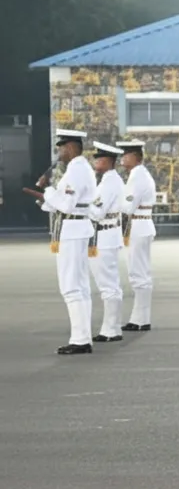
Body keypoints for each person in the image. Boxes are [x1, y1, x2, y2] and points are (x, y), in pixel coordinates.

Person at [24, 129, 96, 354]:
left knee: (71, 287)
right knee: (80, 287)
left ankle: (80, 340)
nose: (59, 153)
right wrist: (45, 200)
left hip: (72, 231)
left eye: (61, 148)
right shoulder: (81, 169)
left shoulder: (76, 170)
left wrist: (47, 189)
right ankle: (83, 337)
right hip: (75, 228)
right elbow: (66, 204)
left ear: (71, 147)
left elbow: (66, 205)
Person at [116, 140, 157, 332]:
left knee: (138, 273)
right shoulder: (140, 174)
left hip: (138, 225)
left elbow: (127, 207)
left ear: (135, 157)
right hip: (140, 224)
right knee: (141, 273)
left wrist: (114, 200)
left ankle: (141, 320)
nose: (123, 159)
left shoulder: (137, 176)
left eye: (126, 155)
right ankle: (140, 318)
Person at [87, 142, 126, 343]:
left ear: (108, 161)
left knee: (108, 285)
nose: (96, 162)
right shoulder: (109, 181)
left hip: (104, 236)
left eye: (99, 159)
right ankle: (112, 327)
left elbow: (97, 213)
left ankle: (111, 329)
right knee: (110, 284)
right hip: (106, 235)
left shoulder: (109, 183)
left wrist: (80, 204)